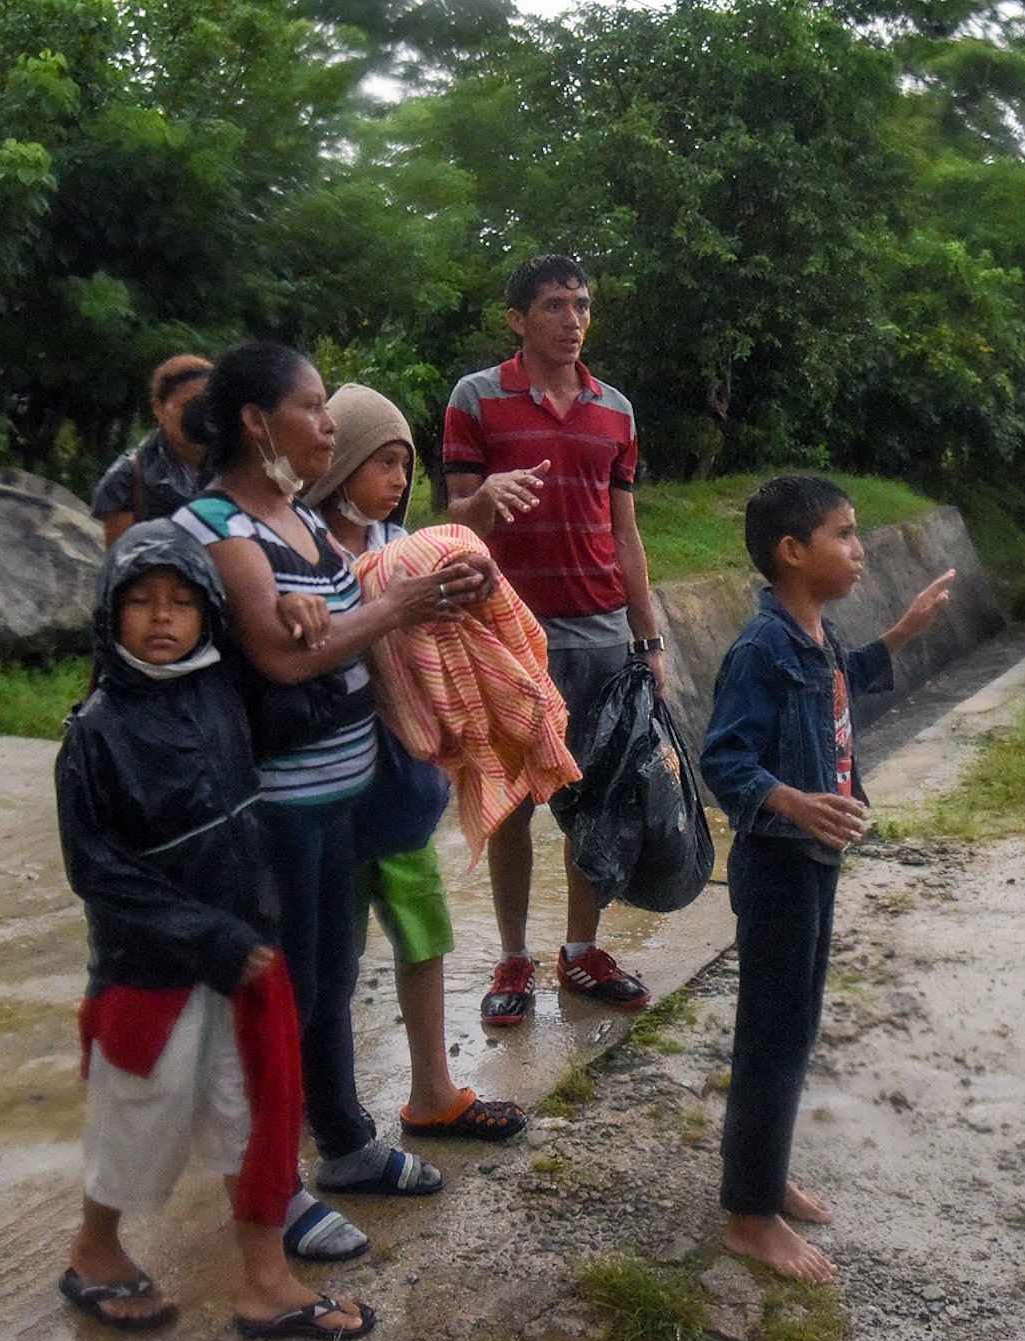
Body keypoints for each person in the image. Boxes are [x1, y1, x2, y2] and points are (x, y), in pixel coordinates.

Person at [173, 343, 492, 1203]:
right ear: (254, 421)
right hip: (277, 808)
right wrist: (392, 604)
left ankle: (344, 1142)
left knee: (329, 982)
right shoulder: (217, 528)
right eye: (312, 408)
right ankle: (270, 1188)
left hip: (337, 798)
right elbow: (281, 658)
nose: (326, 424)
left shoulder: (300, 521)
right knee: (288, 991)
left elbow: (343, 617)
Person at [54, 520, 370, 1341]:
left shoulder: (224, 689)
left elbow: (303, 707)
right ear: (109, 614)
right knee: (136, 1118)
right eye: (143, 602)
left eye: (183, 602)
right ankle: (95, 1250)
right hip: (148, 974)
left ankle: (267, 1280)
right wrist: (212, 939)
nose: (163, 618)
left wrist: (306, 618)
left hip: (237, 959)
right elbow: (101, 875)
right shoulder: (93, 736)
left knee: (250, 1113)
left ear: (207, 616)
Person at [700, 475, 954, 1283]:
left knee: (796, 1026)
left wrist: (908, 629)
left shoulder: (817, 632)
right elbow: (724, 759)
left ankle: (764, 1177)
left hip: (814, 861)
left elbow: (850, 673)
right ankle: (748, 1214)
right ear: (792, 552)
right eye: (845, 534)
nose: (860, 547)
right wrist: (793, 803)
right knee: (772, 1037)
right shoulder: (761, 648)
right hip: (776, 862)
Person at [297, 381, 527, 1140]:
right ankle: (315, 1104)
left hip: (401, 785)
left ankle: (434, 1089)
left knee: (422, 934)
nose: (399, 480)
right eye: (383, 462)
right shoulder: (296, 547)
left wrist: (469, 588)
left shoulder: (406, 550)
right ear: (339, 467)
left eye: (404, 464)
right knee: (327, 959)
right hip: (324, 791)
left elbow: (444, 635)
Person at [442, 253, 665, 1025]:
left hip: (603, 633)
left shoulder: (618, 412)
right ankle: (512, 954)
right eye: (553, 306)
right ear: (517, 319)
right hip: (507, 634)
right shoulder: (476, 398)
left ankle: (579, 950)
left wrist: (649, 635)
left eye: (581, 305)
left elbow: (626, 531)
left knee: (595, 801)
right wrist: (483, 500)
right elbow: (452, 518)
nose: (572, 319)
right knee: (509, 802)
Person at [91, 355, 213, 545]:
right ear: (158, 408)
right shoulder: (128, 478)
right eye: (188, 406)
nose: (197, 415)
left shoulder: (236, 466)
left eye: (206, 405)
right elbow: (122, 561)